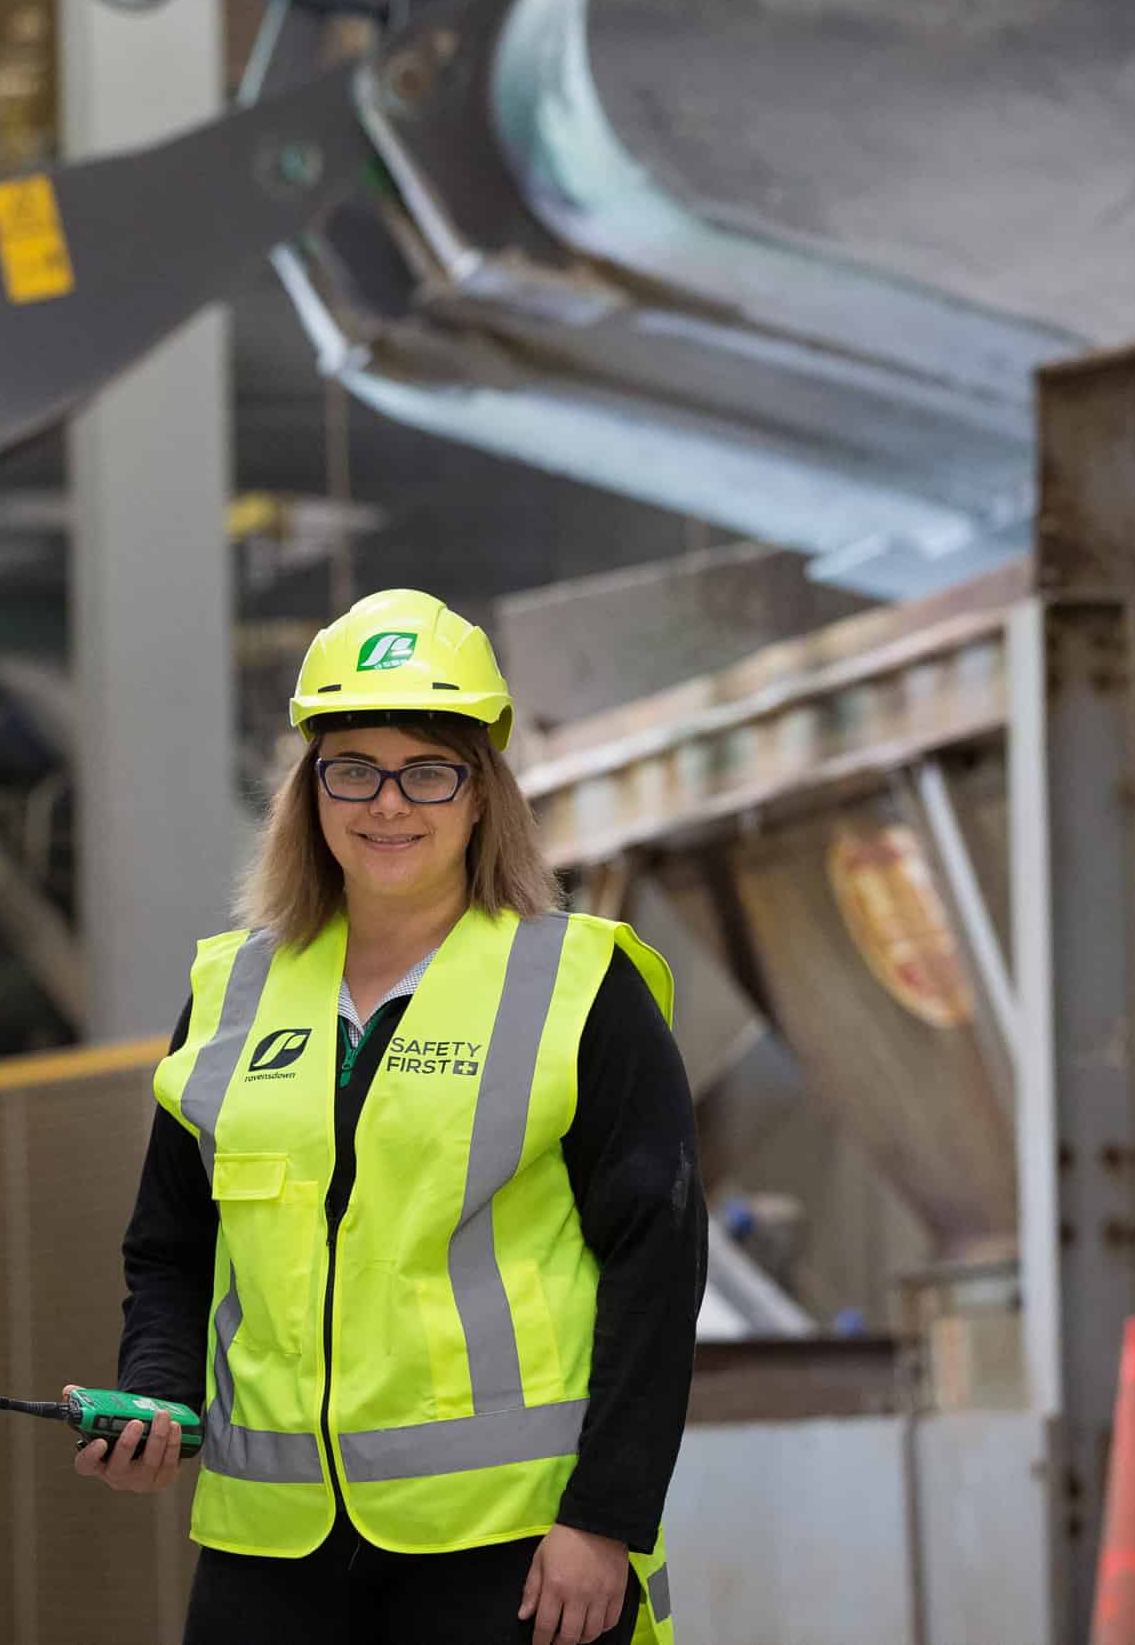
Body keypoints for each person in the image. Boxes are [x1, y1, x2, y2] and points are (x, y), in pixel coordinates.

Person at [71, 589, 706, 1645]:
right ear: (309, 791)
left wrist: (604, 1517)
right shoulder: (231, 992)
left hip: (505, 1546)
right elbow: (173, 1247)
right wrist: (157, 1398)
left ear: (478, 795)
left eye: (428, 769)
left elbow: (657, 1260)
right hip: (269, 1552)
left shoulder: (578, 983)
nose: (387, 803)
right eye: (352, 767)